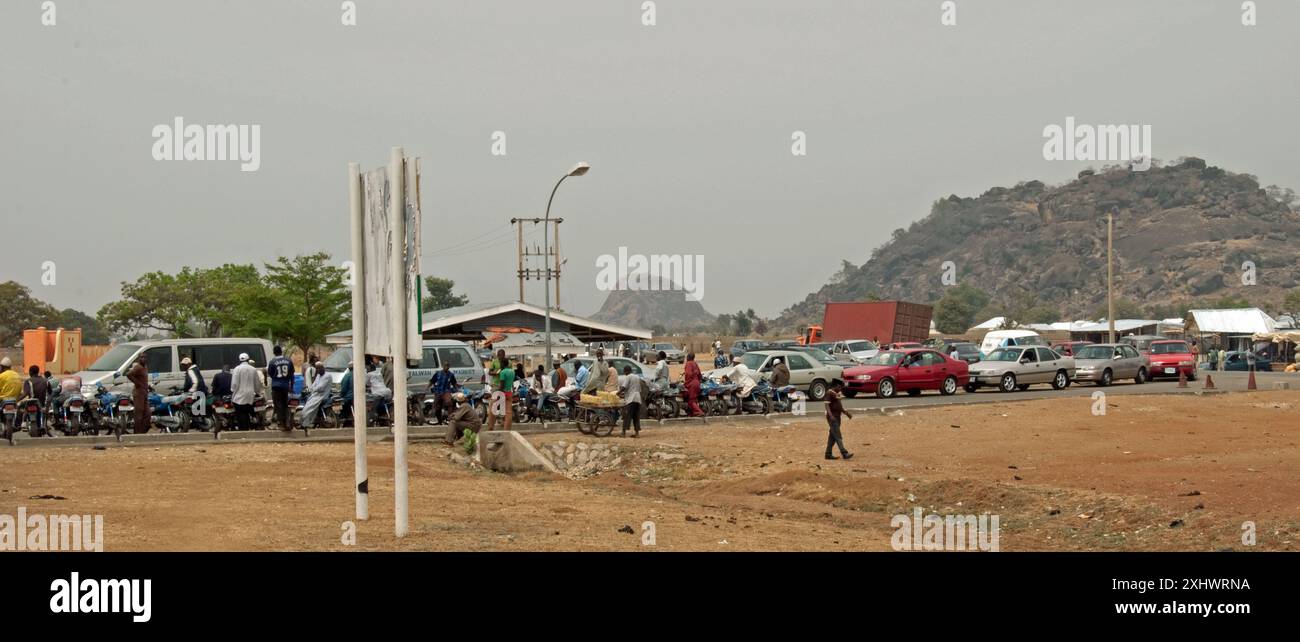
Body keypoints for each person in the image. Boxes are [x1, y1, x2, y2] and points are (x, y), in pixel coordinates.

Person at [266, 346, 295, 431]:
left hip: (276, 386)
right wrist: (291, 386)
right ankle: (287, 422)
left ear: (274, 352)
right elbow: (292, 375)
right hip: (285, 385)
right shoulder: (289, 361)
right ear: (281, 352)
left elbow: (270, 374)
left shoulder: (272, 362)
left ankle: (281, 424)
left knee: (278, 405)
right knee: (285, 404)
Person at [231, 352, 262, 431]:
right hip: (250, 396)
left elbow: (234, 384)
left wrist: (233, 391)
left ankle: (242, 430)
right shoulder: (253, 369)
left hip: (238, 396)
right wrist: (258, 392)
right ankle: (248, 427)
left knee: (240, 414)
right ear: (248, 360)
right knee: (247, 412)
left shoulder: (236, 369)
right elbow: (257, 384)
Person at [823, 382, 854, 461]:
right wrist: (831, 416)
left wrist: (846, 413)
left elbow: (839, 406)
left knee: (832, 436)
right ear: (835, 386)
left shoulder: (835, 393)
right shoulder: (829, 393)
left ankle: (828, 454)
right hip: (833, 418)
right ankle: (844, 453)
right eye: (839, 387)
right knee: (837, 435)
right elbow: (826, 406)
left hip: (837, 417)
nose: (840, 389)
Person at [485, 353, 515, 432]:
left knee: (493, 408)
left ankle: (490, 427)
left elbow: (502, 384)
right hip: (508, 392)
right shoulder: (511, 371)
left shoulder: (503, 372)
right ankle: (506, 430)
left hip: (501, 390)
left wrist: (499, 394)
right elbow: (511, 381)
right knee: (508, 411)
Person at [300, 361, 331, 428]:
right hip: (316, 394)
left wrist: (313, 389)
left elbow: (321, 387)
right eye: (317, 368)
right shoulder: (318, 376)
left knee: (310, 407)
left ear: (323, 368)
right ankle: (306, 421)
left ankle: (306, 422)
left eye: (319, 368)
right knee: (308, 403)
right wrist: (310, 389)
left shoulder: (327, 376)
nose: (318, 370)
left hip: (322, 395)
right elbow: (314, 384)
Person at [126, 355, 151, 434]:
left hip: (145, 392)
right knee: (139, 414)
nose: (143, 359)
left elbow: (144, 379)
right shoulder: (138, 367)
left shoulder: (145, 367)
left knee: (148, 413)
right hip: (138, 393)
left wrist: (148, 386)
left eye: (144, 357)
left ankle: (142, 431)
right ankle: (137, 433)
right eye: (141, 357)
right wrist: (137, 383)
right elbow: (129, 374)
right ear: (138, 359)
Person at [619, 365, 643, 438]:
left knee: (627, 415)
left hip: (631, 399)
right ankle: (637, 433)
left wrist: (618, 393)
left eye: (624, 372)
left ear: (626, 371)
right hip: (638, 398)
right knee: (636, 416)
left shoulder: (628, 376)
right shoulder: (637, 377)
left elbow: (624, 387)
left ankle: (623, 433)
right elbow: (638, 389)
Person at [683, 352, 703, 417]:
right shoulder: (695, 363)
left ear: (688, 357)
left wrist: (686, 383)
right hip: (697, 382)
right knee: (694, 399)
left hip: (692, 383)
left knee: (691, 400)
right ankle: (692, 413)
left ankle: (699, 412)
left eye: (687, 357)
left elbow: (688, 374)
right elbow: (700, 374)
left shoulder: (688, 363)